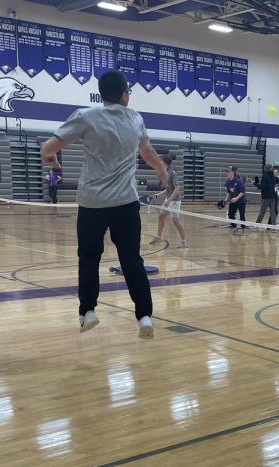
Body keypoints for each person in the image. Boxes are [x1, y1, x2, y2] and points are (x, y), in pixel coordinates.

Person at [41, 70, 167, 337]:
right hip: (125, 203)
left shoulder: (86, 116)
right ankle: (144, 316)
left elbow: (48, 147)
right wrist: (161, 171)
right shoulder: (135, 119)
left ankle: (88, 312)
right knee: (132, 260)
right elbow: (148, 152)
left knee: (88, 259)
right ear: (124, 95)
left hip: (92, 203)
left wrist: (50, 157)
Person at [149, 154, 187, 248]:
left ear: (165, 162)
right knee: (161, 217)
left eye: (161, 160)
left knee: (175, 220)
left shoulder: (172, 173)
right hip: (168, 199)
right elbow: (168, 188)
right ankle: (159, 237)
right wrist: (159, 194)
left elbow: (177, 188)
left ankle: (184, 241)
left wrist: (169, 200)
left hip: (174, 201)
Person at [255, 163, 277, 228]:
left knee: (262, 212)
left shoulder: (264, 176)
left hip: (266, 197)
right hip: (272, 197)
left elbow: (263, 187)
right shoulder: (272, 176)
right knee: (273, 212)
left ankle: (257, 225)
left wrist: (255, 184)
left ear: (265, 168)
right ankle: (274, 227)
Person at [224, 166, 246, 230]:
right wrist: (225, 200)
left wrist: (236, 198)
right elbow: (228, 191)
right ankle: (233, 225)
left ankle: (243, 227)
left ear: (233, 172)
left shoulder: (239, 181)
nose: (227, 173)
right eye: (226, 172)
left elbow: (242, 192)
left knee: (242, 215)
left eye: (228, 172)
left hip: (241, 201)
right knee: (230, 214)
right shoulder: (227, 182)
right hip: (233, 201)